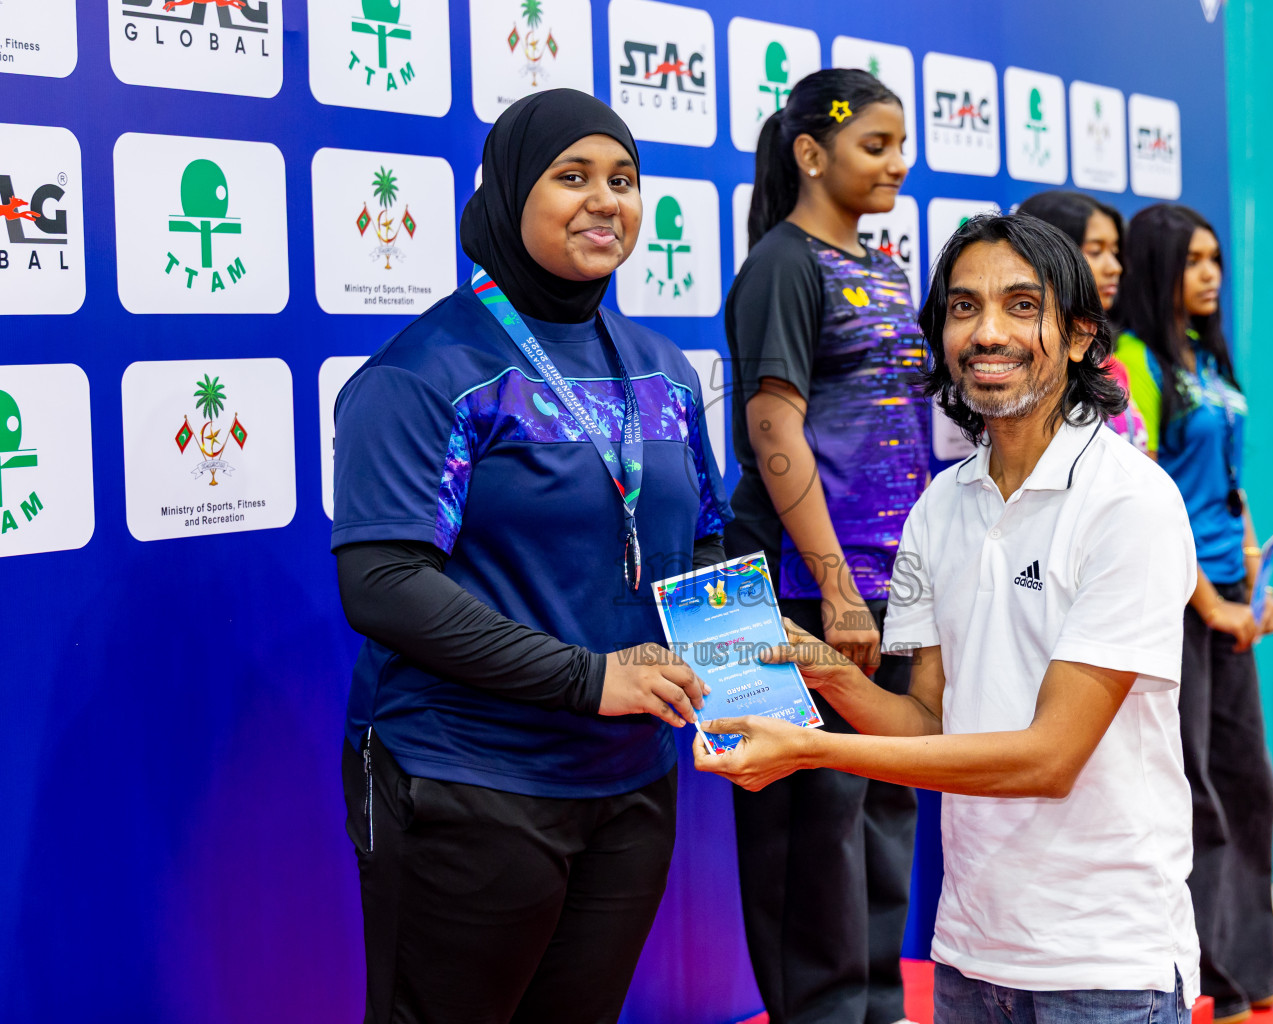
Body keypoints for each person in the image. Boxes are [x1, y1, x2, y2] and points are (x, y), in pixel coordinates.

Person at [700, 212, 1200, 1024]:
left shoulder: (1130, 502)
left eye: (1021, 305)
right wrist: (820, 670)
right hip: (970, 954)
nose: (987, 332)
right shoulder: (938, 507)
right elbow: (928, 722)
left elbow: (1049, 758)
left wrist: (812, 749)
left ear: (1080, 338)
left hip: (1106, 962)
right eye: (964, 307)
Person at [330, 89, 730, 1024]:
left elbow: (704, 541)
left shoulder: (663, 370)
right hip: (469, 780)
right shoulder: (426, 371)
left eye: (624, 180)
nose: (605, 201)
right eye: (572, 176)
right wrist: (589, 679)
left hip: (632, 781)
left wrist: (750, 685)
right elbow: (383, 585)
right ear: (511, 195)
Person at [724, 67, 927, 1024]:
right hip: (792, 587)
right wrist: (836, 588)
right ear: (811, 153)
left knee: (883, 807)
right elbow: (774, 426)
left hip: (889, 586)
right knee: (806, 832)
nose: (898, 163)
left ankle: (877, 1010)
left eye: (900, 144)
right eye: (875, 145)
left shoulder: (887, 270)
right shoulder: (782, 264)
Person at [1113, 203, 1273, 1024]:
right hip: (1178, 607)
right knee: (1196, 792)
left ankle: (1248, 966)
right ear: (1157, 268)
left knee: (1251, 782)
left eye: (1216, 258)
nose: (1212, 274)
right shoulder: (1133, 361)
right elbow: (1148, 498)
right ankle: (1208, 975)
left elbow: (1230, 488)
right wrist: (1211, 605)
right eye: (1193, 260)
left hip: (1226, 604)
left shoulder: (1211, 361)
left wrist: (1255, 586)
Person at [1017, 190, 1148, 452]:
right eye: (1096, 251)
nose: (1115, 267)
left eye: (1114, 252)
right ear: (1049, 255)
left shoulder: (1113, 366)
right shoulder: (1021, 368)